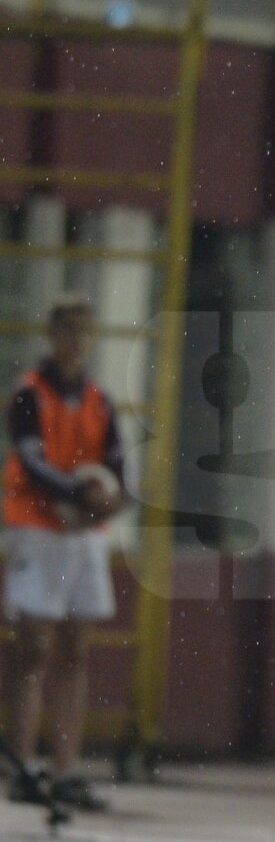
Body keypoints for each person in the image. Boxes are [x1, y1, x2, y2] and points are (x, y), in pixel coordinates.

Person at [3, 297, 126, 812]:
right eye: (68, 329)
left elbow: (117, 467)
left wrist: (112, 496)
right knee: (32, 647)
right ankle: (24, 762)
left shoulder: (99, 399)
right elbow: (31, 460)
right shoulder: (30, 393)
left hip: (83, 535)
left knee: (76, 648)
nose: (76, 339)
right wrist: (80, 492)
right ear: (53, 333)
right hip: (38, 528)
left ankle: (67, 767)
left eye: (84, 329)